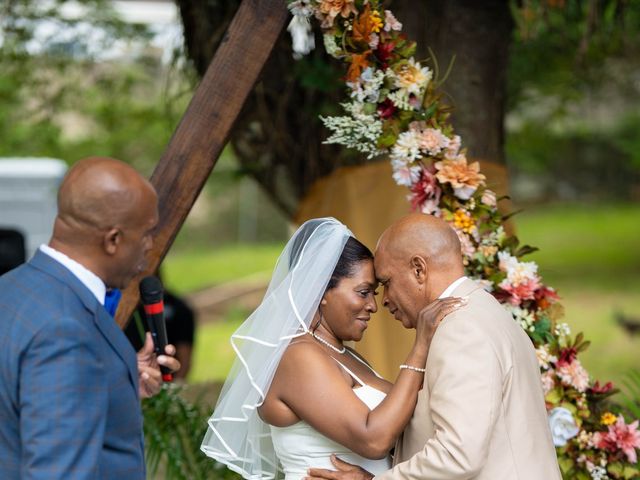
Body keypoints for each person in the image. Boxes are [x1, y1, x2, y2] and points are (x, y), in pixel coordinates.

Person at [201, 218, 463, 480]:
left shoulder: (344, 354)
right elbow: (373, 439)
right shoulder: (298, 356)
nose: (373, 305)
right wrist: (420, 348)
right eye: (363, 292)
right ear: (321, 289)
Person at [307, 213, 561, 480]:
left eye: (386, 283)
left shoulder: (461, 329)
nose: (383, 300)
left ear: (419, 269)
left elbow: (458, 455)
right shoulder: (485, 310)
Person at [0, 157, 180, 479]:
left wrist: (115, 381)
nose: (150, 246)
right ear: (113, 240)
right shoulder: (65, 330)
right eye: (146, 233)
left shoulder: (12, 288)